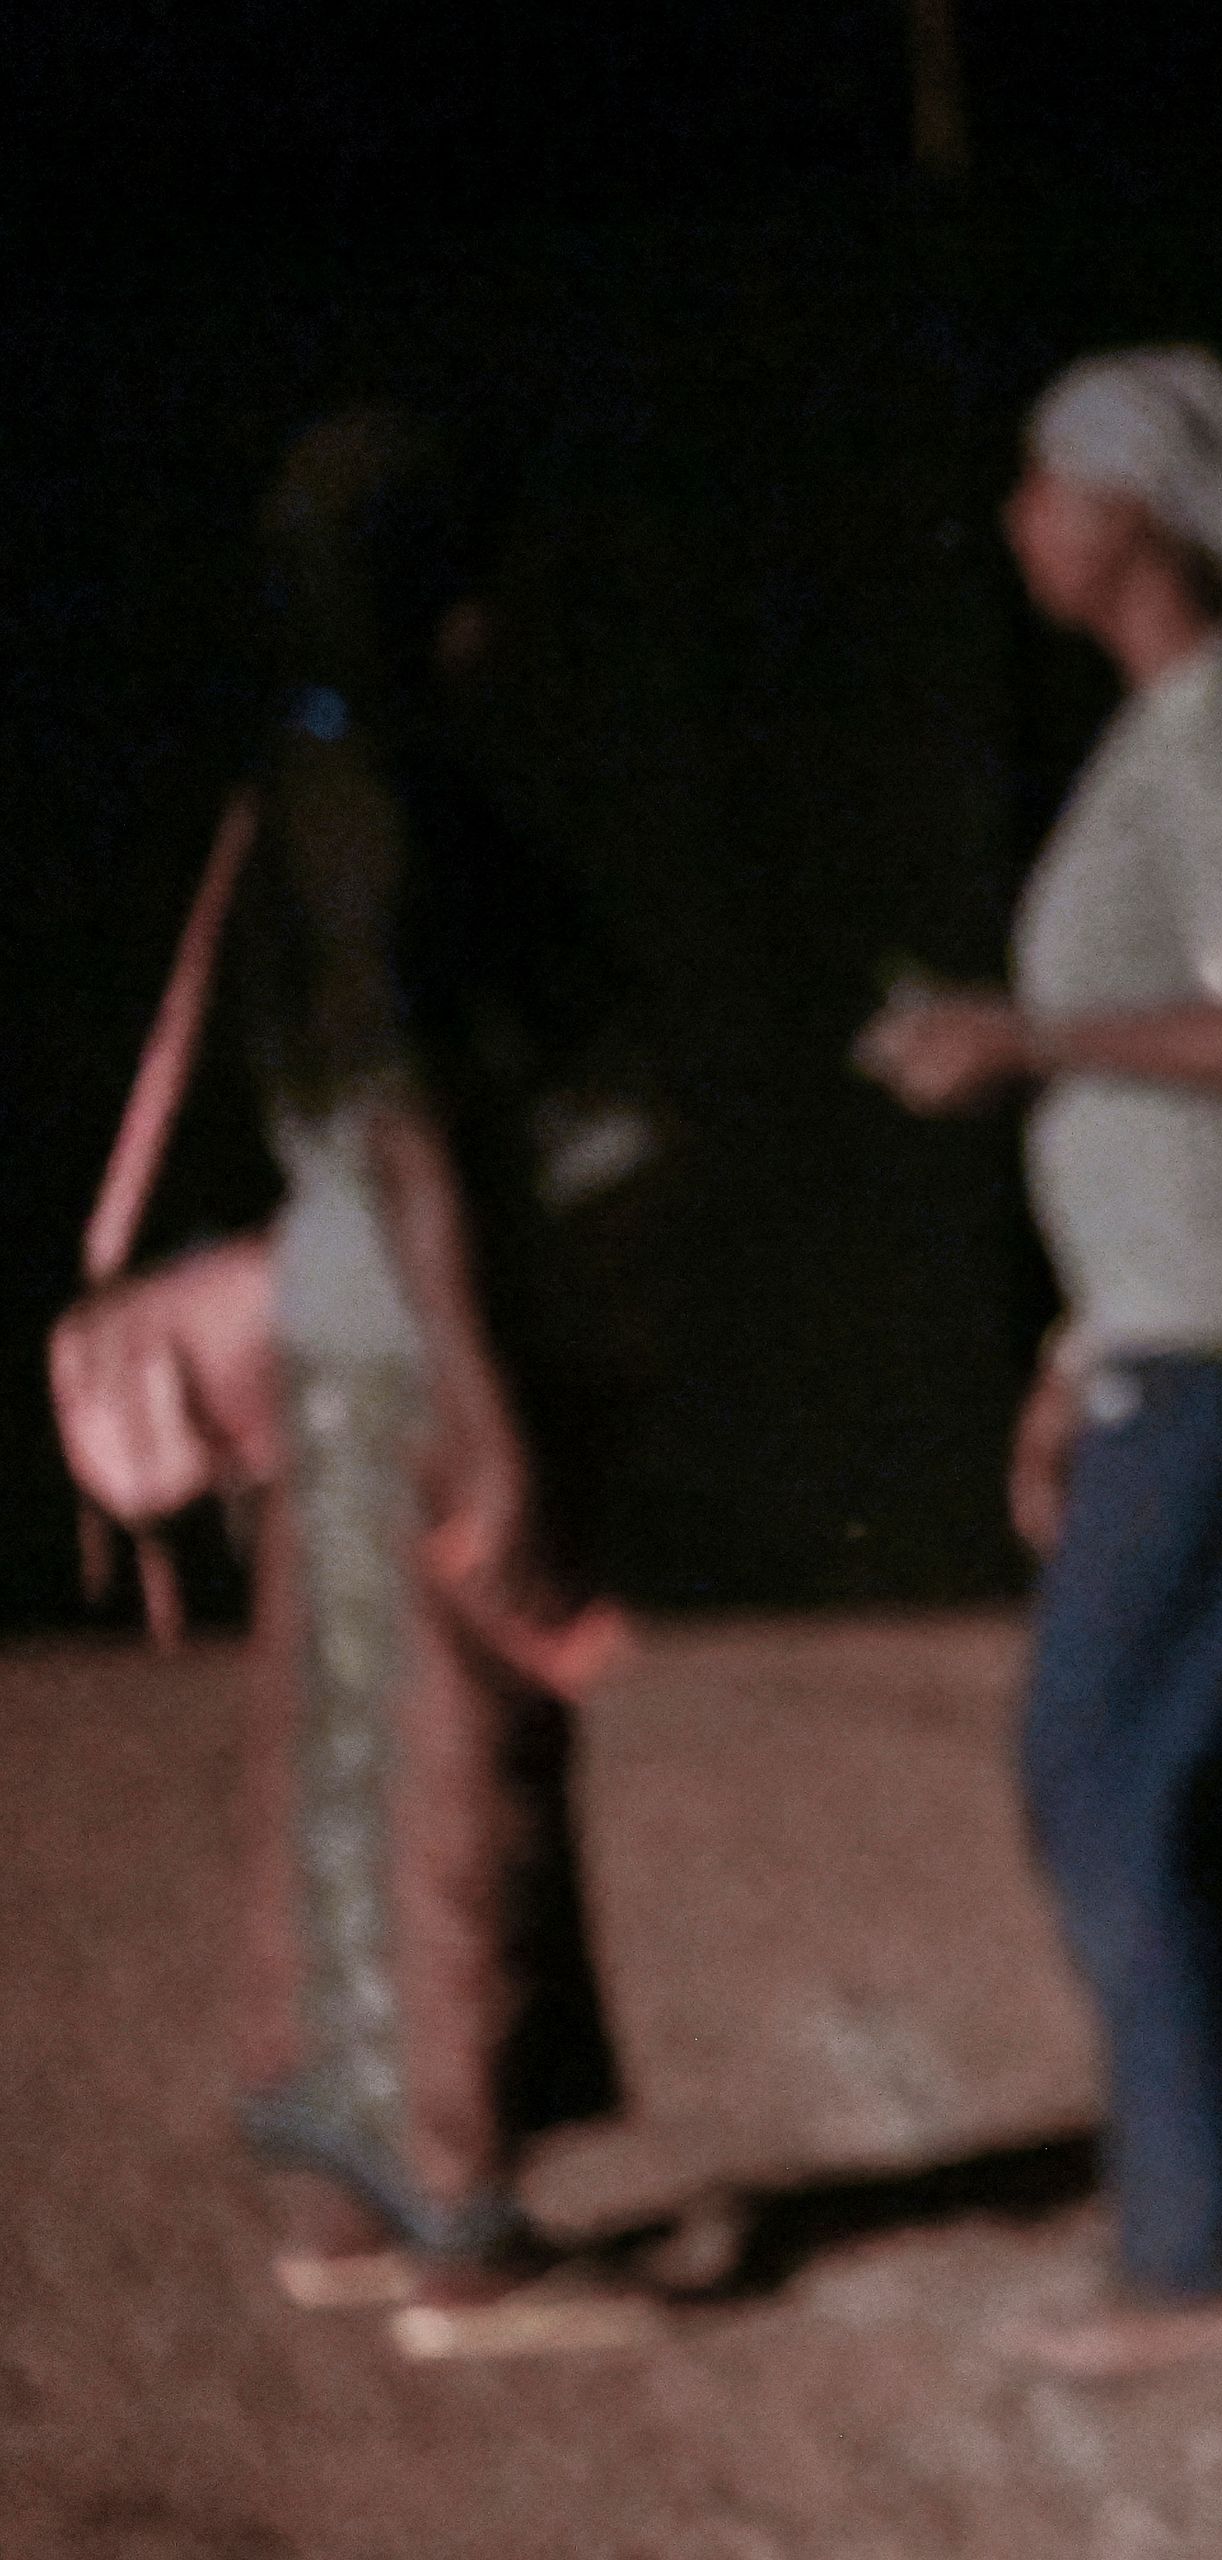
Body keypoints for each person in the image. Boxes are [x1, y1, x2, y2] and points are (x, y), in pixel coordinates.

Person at [857, 345, 1222, 2376]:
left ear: (1134, 511)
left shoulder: (1216, 733)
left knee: (1105, 1774)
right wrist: (1083, 1334)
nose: (1020, 518)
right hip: (1184, 1327)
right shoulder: (1183, 733)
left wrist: (1031, 1037)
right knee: (1173, 1784)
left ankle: (1201, 2253)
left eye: (1047, 480)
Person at [224, 407, 656, 2360]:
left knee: (344, 1742)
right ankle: (466, 2224)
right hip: (420, 1348)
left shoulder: (307, 774)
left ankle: (348, 2174)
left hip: (348, 1344)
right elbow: (409, 1115)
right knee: (456, 1761)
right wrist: (490, 1401)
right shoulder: (383, 792)